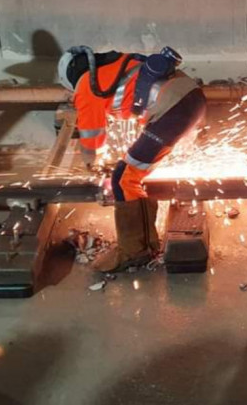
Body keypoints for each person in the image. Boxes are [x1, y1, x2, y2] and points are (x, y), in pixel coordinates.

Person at [57, 45, 206, 271]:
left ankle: (133, 252)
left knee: (123, 178)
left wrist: (92, 164)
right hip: (192, 99)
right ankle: (147, 244)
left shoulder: (86, 86)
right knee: (131, 172)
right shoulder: (114, 66)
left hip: (175, 110)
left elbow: (92, 139)